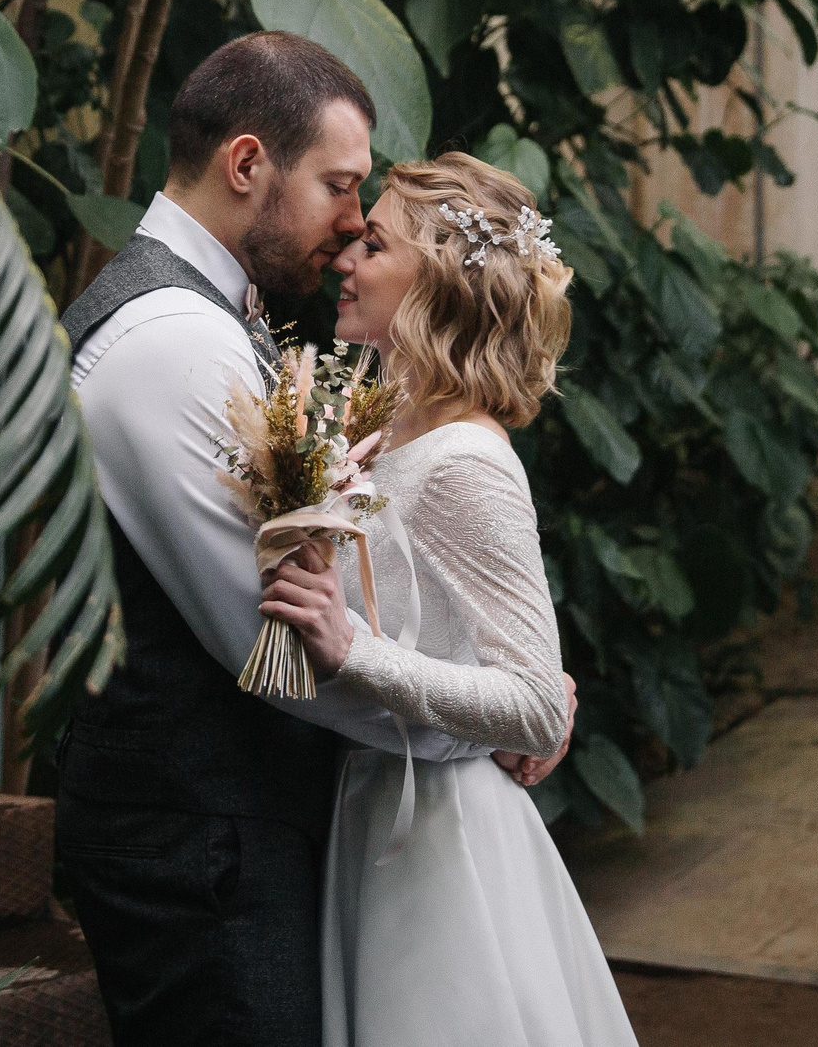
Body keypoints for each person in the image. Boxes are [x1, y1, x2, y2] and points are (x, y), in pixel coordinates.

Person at [55, 37, 576, 1047]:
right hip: (203, 838)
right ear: (248, 164)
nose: (349, 227)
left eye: (370, 223)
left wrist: (510, 684)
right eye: (339, 186)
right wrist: (496, 718)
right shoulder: (173, 339)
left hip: (259, 829)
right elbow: (279, 649)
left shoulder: (221, 324)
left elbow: (354, 604)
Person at [259, 152, 637, 1047]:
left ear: (434, 283)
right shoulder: (381, 428)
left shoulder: (467, 460)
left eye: (374, 245)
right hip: (377, 807)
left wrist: (354, 651)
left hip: (443, 838)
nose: (346, 257)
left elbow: (536, 704)